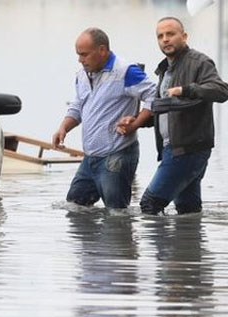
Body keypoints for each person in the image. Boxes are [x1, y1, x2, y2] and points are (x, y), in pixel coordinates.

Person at [120, 17, 228, 215]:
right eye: (160, 36)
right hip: (174, 147)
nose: (165, 40)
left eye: (170, 34)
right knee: (188, 210)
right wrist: (136, 121)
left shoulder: (199, 62)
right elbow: (165, 110)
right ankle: (186, 245)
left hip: (187, 150)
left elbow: (221, 91)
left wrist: (186, 90)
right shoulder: (165, 70)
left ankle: (160, 246)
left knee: (150, 204)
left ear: (184, 36)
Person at [52, 27, 156, 209]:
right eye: (78, 55)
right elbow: (78, 106)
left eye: (84, 54)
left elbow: (154, 96)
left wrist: (136, 123)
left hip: (117, 156)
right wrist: (63, 128)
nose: (80, 60)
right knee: (74, 207)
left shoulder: (125, 71)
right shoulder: (82, 75)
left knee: (116, 215)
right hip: (90, 157)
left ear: (102, 50)